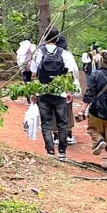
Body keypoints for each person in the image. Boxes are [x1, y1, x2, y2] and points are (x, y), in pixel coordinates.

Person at [30, 28, 80, 160]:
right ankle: (62, 152)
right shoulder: (64, 53)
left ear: (44, 38)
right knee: (62, 123)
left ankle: (50, 151)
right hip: (60, 92)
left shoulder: (38, 53)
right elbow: (70, 73)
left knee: (46, 123)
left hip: (43, 91)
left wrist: (34, 92)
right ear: (57, 39)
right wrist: (69, 91)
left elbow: (34, 74)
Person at [55, 33, 78, 145]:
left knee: (53, 110)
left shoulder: (48, 53)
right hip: (66, 85)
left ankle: (55, 136)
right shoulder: (67, 55)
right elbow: (74, 71)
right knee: (67, 110)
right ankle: (68, 135)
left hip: (52, 87)